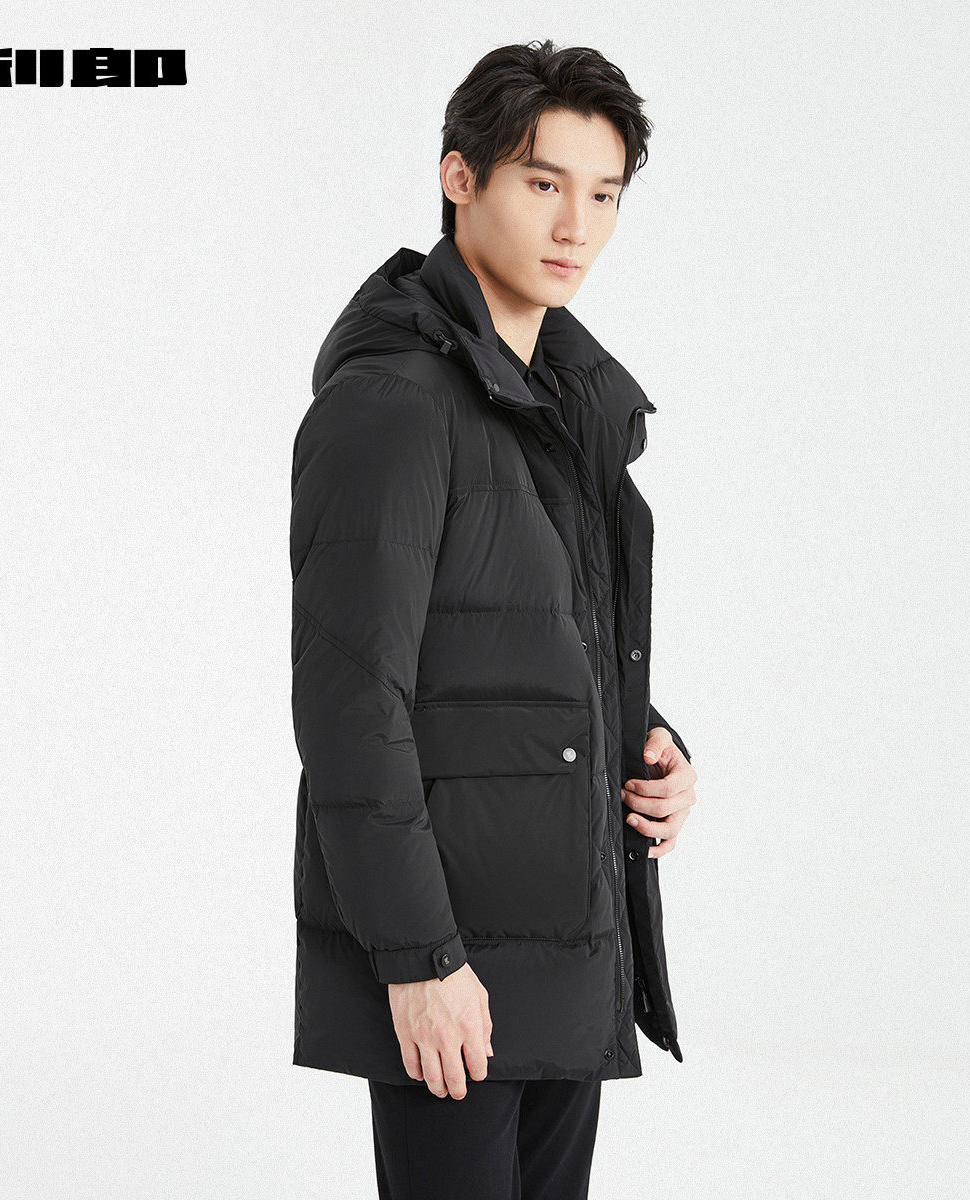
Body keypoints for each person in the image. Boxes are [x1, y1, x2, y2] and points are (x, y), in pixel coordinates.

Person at [289, 39, 699, 1200]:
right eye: (542, 182)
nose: (577, 226)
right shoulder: (394, 405)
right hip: (452, 958)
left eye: (604, 195)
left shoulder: (558, 407)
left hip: (567, 940)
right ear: (459, 177)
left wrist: (647, 741)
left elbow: (524, 645)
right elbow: (350, 702)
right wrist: (417, 958)